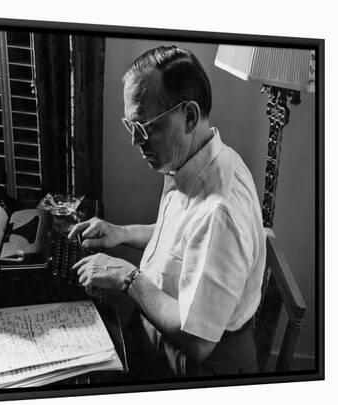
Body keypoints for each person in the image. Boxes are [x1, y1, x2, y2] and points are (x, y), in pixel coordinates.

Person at [69, 46, 266, 376]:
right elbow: (182, 241)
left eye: (145, 128)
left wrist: (126, 277)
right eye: (131, 126)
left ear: (188, 116)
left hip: (197, 366)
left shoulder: (219, 213)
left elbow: (197, 340)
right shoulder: (196, 159)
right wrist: (121, 233)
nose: (136, 142)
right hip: (160, 333)